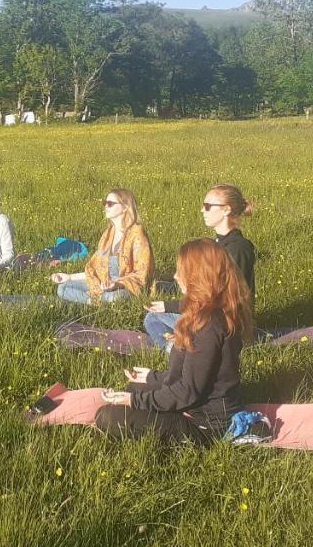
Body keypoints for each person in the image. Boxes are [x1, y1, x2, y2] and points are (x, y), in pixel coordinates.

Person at [94, 238, 253, 443]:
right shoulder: (205, 312)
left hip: (208, 425)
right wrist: (151, 377)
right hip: (195, 403)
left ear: (198, 276)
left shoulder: (209, 325)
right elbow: (189, 374)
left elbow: (187, 391)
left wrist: (133, 401)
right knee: (133, 388)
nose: (176, 276)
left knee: (108, 416)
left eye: (181, 271)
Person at [143, 183, 256, 350]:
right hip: (210, 314)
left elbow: (219, 298)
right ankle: (179, 345)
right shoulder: (218, 244)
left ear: (226, 210)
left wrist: (172, 306)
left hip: (226, 325)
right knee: (152, 318)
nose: (202, 211)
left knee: (155, 319)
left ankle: (178, 350)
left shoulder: (237, 249)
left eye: (208, 206)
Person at [50, 188, 153, 304]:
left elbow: (141, 275)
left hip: (124, 287)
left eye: (110, 204)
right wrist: (69, 277)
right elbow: (96, 269)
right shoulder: (108, 235)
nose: (106, 207)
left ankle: (90, 301)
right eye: (105, 203)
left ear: (125, 207)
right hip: (102, 283)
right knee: (63, 288)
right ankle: (94, 302)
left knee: (114, 298)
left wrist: (117, 284)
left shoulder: (138, 236)